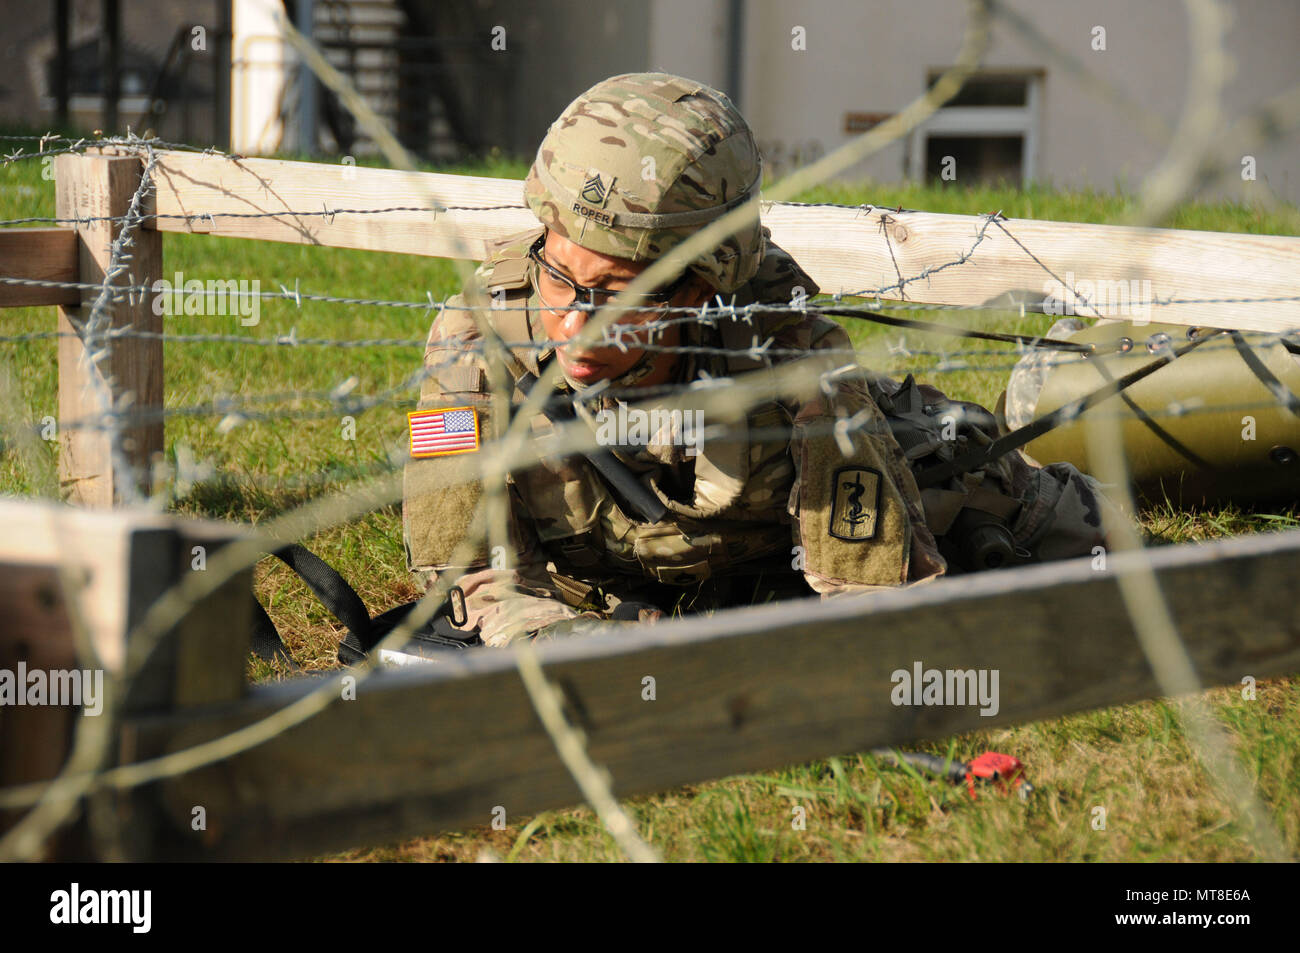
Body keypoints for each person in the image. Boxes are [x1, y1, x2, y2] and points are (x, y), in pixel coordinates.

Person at [402, 72, 1112, 647]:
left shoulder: (790, 349)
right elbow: (472, 582)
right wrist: (577, 645)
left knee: (1101, 545)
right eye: (560, 277)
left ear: (702, 284)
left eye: (619, 294)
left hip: (815, 519)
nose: (576, 324)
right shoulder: (478, 339)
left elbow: (869, 599)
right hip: (642, 567)